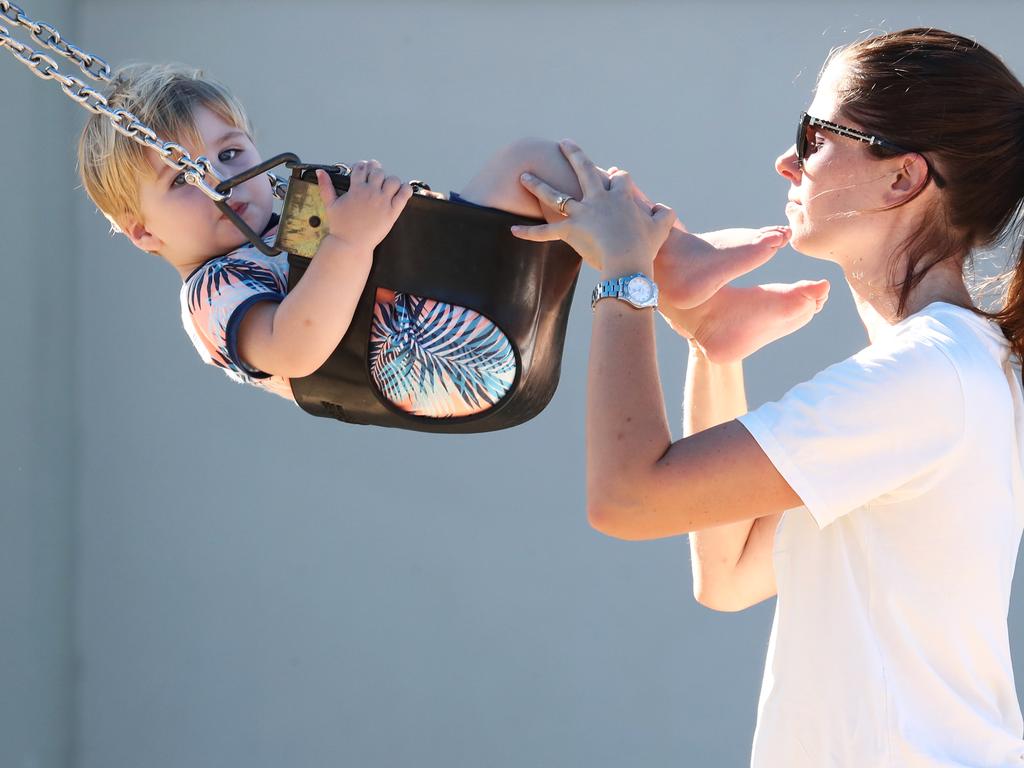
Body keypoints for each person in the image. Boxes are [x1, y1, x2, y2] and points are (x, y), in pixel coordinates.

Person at [514, 27, 1024, 767]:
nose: (787, 160)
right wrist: (714, 351)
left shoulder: (927, 377)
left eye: (816, 136)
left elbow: (626, 497)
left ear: (903, 178)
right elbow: (729, 574)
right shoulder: (958, 371)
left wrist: (625, 271)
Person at [76, 63, 827, 418]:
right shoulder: (212, 292)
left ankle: (699, 307)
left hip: (454, 326)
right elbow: (295, 349)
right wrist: (349, 243)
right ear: (141, 233)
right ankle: (686, 273)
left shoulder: (284, 219)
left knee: (548, 177)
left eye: (231, 154)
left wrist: (391, 215)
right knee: (530, 164)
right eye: (182, 179)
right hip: (418, 354)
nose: (220, 181)